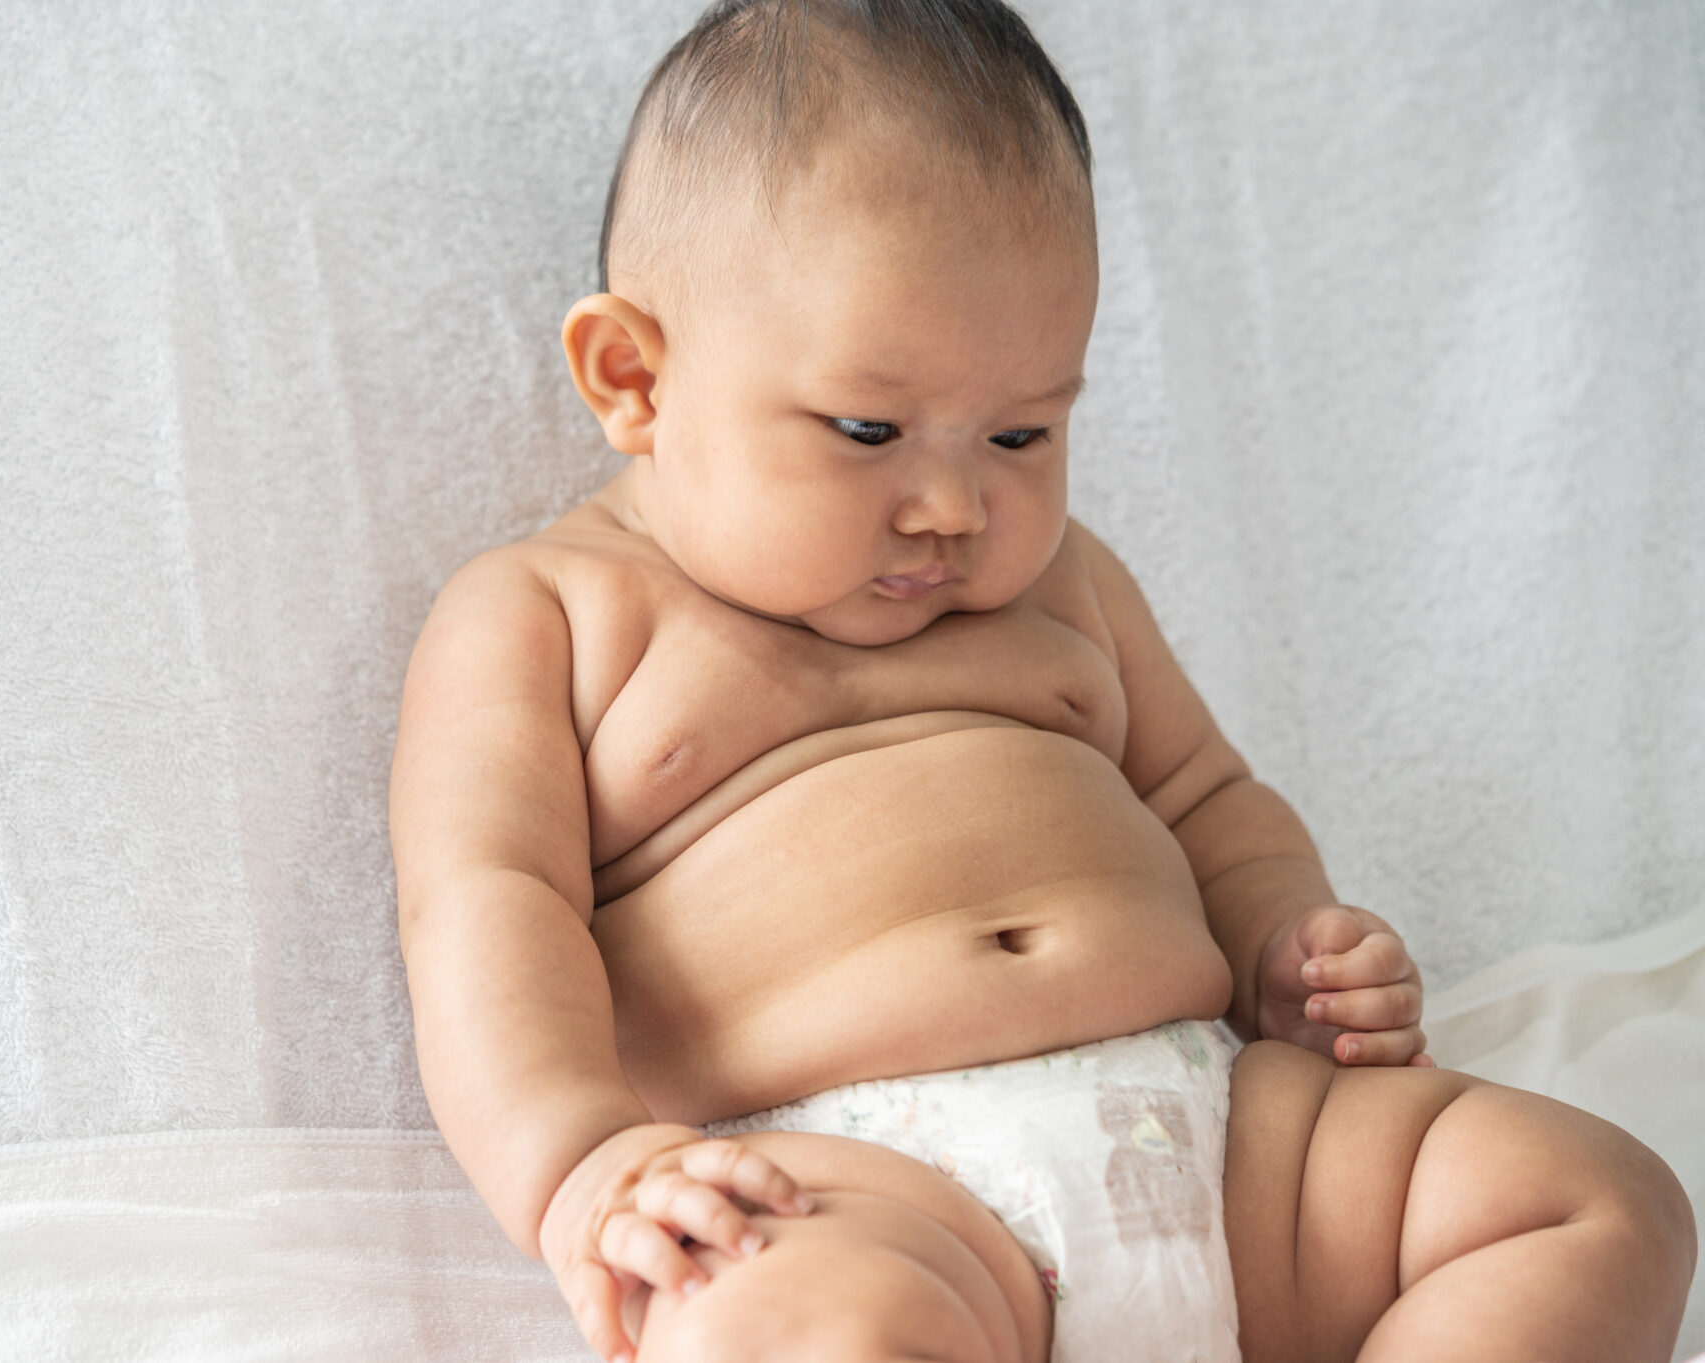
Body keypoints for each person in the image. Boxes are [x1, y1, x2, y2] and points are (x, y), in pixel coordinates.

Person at [389, 2, 1696, 1359]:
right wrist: (586, 1165)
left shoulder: (1067, 583)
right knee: (801, 1338)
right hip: (857, 1186)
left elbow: (1207, 795)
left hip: (1232, 1140)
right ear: (633, 376)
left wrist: (1286, 947)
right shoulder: (547, 615)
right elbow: (487, 910)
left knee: (1598, 1200)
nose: (953, 502)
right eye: (866, 430)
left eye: (1021, 431)